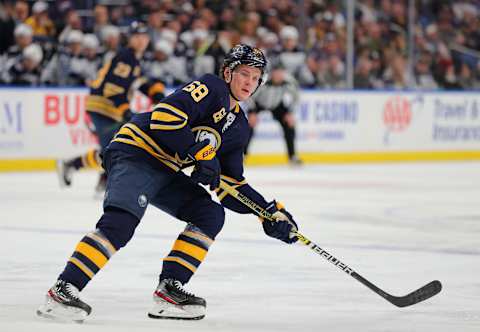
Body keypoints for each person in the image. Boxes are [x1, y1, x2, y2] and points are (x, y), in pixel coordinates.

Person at [36, 44, 299, 322]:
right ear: (227, 73)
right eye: (244, 73)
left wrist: (268, 212)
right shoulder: (211, 87)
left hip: (164, 169)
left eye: (256, 77)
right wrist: (200, 152)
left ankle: (169, 290)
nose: (250, 82)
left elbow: (231, 185)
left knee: (209, 213)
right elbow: (164, 117)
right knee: (121, 223)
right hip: (136, 152)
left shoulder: (239, 127)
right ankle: (62, 291)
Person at [56, 21, 165, 194]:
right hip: (104, 107)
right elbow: (113, 89)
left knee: (115, 147)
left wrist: (156, 93)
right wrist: (126, 111)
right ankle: (98, 178)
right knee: (116, 149)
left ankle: (81, 169)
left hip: (106, 107)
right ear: (130, 39)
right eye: (137, 37)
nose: (141, 40)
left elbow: (140, 82)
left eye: (144, 36)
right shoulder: (126, 58)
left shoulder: (132, 58)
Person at [245, 62, 302, 165]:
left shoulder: (288, 82)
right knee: (249, 125)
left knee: (289, 125)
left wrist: (290, 112)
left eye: (281, 73)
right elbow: (249, 95)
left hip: (277, 105)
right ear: (272, 73)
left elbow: (296, 97)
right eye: (276, 73)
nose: (278, 75)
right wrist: (252, 111)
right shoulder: (262, 81)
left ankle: (292, 156)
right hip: (259, 103)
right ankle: (243, 155)